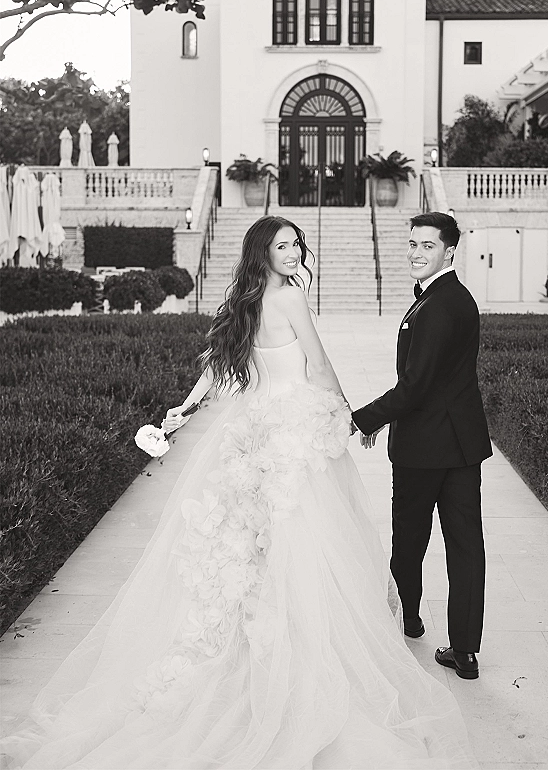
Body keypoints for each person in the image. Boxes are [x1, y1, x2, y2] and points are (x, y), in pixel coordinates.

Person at [2, 216, 477, 769]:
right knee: (306, 537)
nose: (293, 252)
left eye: (296, 243)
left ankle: (245, 635)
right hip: (294, 430)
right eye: (282, 245)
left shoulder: (243, 303)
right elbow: (319, 365)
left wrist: (181, 411)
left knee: (250, 539)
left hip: (254, 429)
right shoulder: (291, 299)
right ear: (263, 253)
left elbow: (214, 370)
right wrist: (348, 417)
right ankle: (297, 644)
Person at [352, 211, 492, 681]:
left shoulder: (436, 306)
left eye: (426, 246)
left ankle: (409, 619)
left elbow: (413, 387)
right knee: (466, 544)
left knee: (410, 538)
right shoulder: (454, 298)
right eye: (412, 244)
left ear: (449, 251)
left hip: (423, 445)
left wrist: (362, 419)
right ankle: (466, 651)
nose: (415, 252)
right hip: (462, 443)